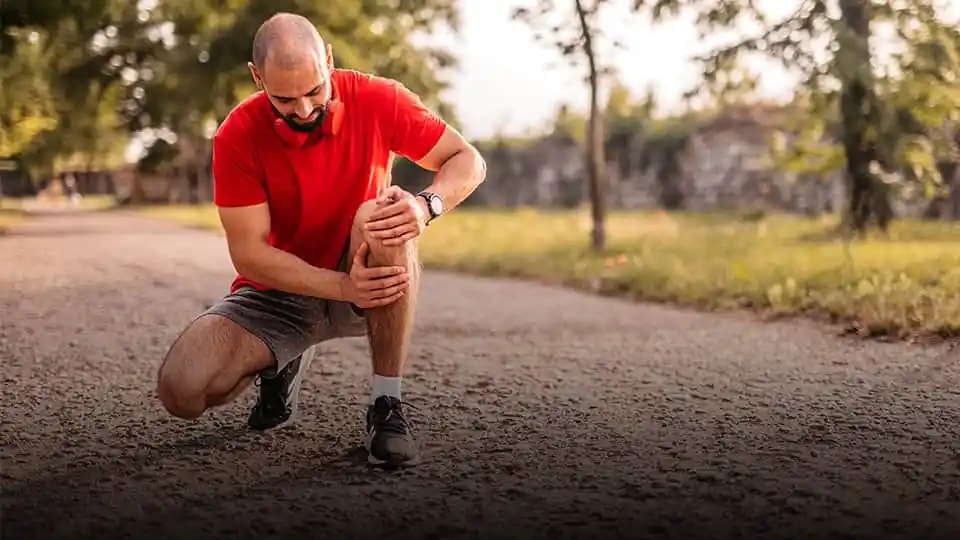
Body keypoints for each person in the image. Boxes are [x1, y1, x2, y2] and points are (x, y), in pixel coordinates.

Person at [154, 11, 486, 468]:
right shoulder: (237, 135)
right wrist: (337, 288)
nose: (305, 110)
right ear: (257, 78)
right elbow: (249, 255)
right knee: (182, 392)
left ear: (328, 60)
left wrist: (425, 205)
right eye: (285, 99)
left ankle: (386, 406)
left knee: (385, 213)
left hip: (365, 274)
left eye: (315, 91)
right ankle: (280, 364)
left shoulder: (379, 98)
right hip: (282, 294)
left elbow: (467, 160)